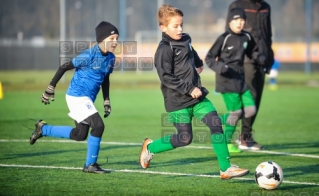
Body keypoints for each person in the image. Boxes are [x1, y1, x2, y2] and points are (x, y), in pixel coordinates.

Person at [139, 4, 249, 180]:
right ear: (163, 27)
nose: (180, 29)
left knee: (215, 124)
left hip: (198, 99)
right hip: (177, 102)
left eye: (181, 24)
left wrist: (198, 62)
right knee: (184, 138)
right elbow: (166, 77)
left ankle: (225, 168)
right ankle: (150, 148)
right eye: (175, 26)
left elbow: (191, 51)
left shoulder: (186, 39)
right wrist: (189, 88)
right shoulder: (164, 49)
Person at [29, 21, 119, 174]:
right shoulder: (88, 55)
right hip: (77, 96)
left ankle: (43, 129)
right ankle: (90, 165)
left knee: (80, 135)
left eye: (117, 38)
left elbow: (105, 78)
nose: (115, 42)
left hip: (87, 99)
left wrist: (106, 99)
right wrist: (50, 88)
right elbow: (64, 66)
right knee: (98, 126)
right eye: (112, 39)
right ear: (102, 40)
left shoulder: (111, 58)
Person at [205, 8, 265, 153]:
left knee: (250, 110)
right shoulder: (223, 38)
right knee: (236, 112)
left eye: (242, 20)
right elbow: (209, 58)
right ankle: (225, 143)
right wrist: (220, 67)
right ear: (230, 22)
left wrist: (258, 57)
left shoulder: (247, 37)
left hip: (240, 80)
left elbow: (252, 51)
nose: (239, 23)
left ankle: (218, 119)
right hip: (226, 81)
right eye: (236, 20)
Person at [227, 0, 274, 150]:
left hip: (263, 57)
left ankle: (244, 136)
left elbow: (268, 34)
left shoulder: (266, 7)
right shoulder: (237, 5)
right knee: (250, 96)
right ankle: (238, 136)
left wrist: (269, 56)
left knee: (257, 97)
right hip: (246, 58)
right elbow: (229, 32)